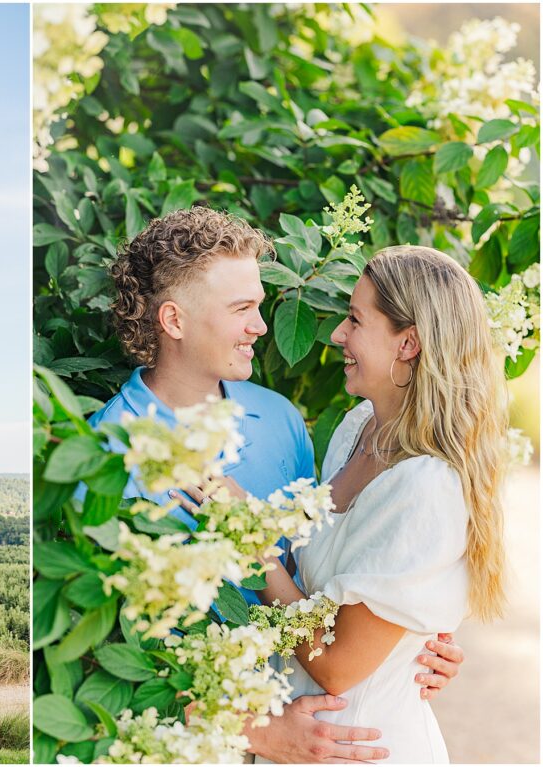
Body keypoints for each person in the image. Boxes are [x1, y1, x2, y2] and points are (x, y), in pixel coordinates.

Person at [90, 208, 465, 762]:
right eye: (242, 309)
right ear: (174, 320)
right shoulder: (104, 455)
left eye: (260, 308)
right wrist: (256, 731)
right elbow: (96, 661)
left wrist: (411, 638)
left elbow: (330, 569)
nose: (262, 328)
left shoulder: (281, 419)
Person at [254, 246, 506, 763]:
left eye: (354, 319)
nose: (337, 335)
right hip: (302, 741)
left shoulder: (428, 486)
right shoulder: (357, 428)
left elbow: (337, 666)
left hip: (363, 748)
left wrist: (252, 550)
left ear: (408, 342)